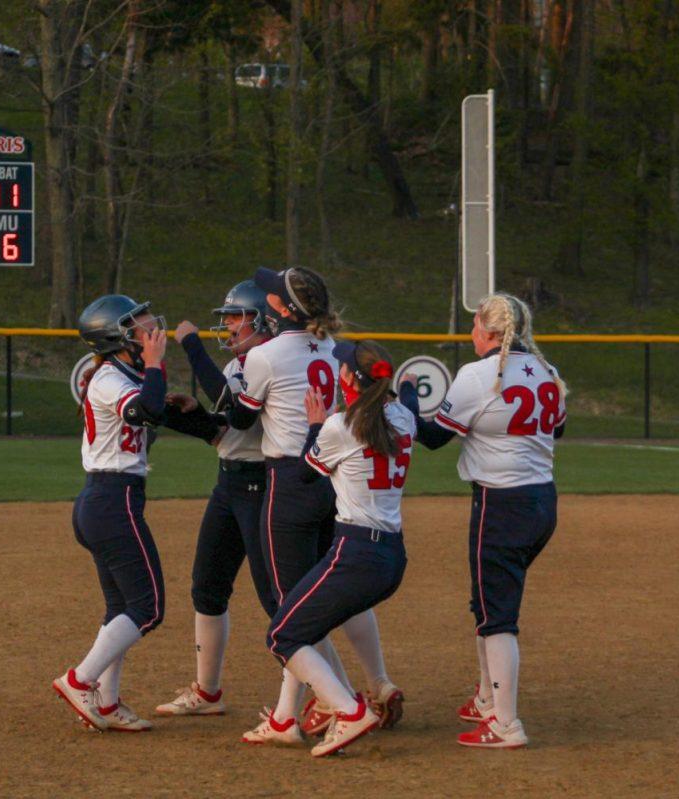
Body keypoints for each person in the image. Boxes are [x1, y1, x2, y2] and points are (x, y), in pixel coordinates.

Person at [225, 266, 402, 745]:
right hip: (337, 483)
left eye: (274, 296)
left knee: (292, 609)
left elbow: (239, 417)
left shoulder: (265, 354)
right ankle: (289, 714)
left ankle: (340, 701)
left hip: (292, 477)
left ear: (280, 309)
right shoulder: (338, 349)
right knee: (319, 592)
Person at [399, 293, 566, 750]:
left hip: (501, 504)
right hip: (542, 502)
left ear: (490, 332)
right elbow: (558, 427)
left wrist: (410, 396)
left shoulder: (477, 375)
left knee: (497, 618)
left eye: (475, 325)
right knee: (488, 604)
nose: (472, 333)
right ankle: (485, 698)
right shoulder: (547, 371)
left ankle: (505, 723)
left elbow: (431, 438)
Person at [52, 294, 219, 733]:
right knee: (148, 608)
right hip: (113, 500)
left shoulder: (121, 374)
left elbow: (148, 411)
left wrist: (167, 401)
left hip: (106, 501)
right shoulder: (110, 378)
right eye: (137, 324)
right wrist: (157, 366)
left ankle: (106, 704)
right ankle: (80, 679)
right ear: (115, 337)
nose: (149, 328)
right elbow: (143, 409)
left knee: (120, 607)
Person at [269, 340, 415, 757]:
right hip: (391, 556)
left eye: (343, 368)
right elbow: (401, 405)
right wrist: (406, 389)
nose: (339, 371)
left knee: (283, 635)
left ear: (350, 379)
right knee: (303, 625)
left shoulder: (340, 426)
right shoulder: (405, 418)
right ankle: (286, 716)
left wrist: (315, 424)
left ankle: (349, 711)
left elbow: (304, 476)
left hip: (355, 553)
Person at [153, 281, 278, 717]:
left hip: (265, 487)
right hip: (230, 484)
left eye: (234, 316)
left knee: (280, 599)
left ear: (263, 320)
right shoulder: (241, 365)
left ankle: (328, 694)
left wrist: (190, 346)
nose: (226, 325)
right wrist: (188, 416)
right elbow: (225, 429)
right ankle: (207, 692)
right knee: (207, 586)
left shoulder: (269, 361)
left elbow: (237, 409)